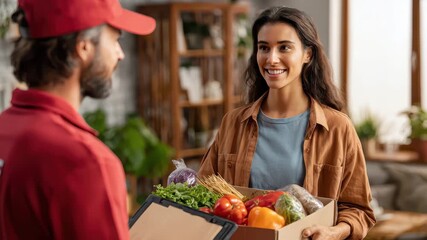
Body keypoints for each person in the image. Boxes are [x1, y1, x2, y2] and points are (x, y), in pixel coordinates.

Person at [198, 6, 375, 240]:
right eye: (264, 48)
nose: (272, 59)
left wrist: (333, 232)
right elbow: (203, 194)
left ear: (307, 55)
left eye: (284, 47)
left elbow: (359, 211)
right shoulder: (233, 123)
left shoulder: (338, 128)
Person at [0, 0, 155, 239]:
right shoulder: (86, 163)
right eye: (115, 40)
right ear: (83, 48)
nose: (120, 54)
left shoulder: (6, 126)